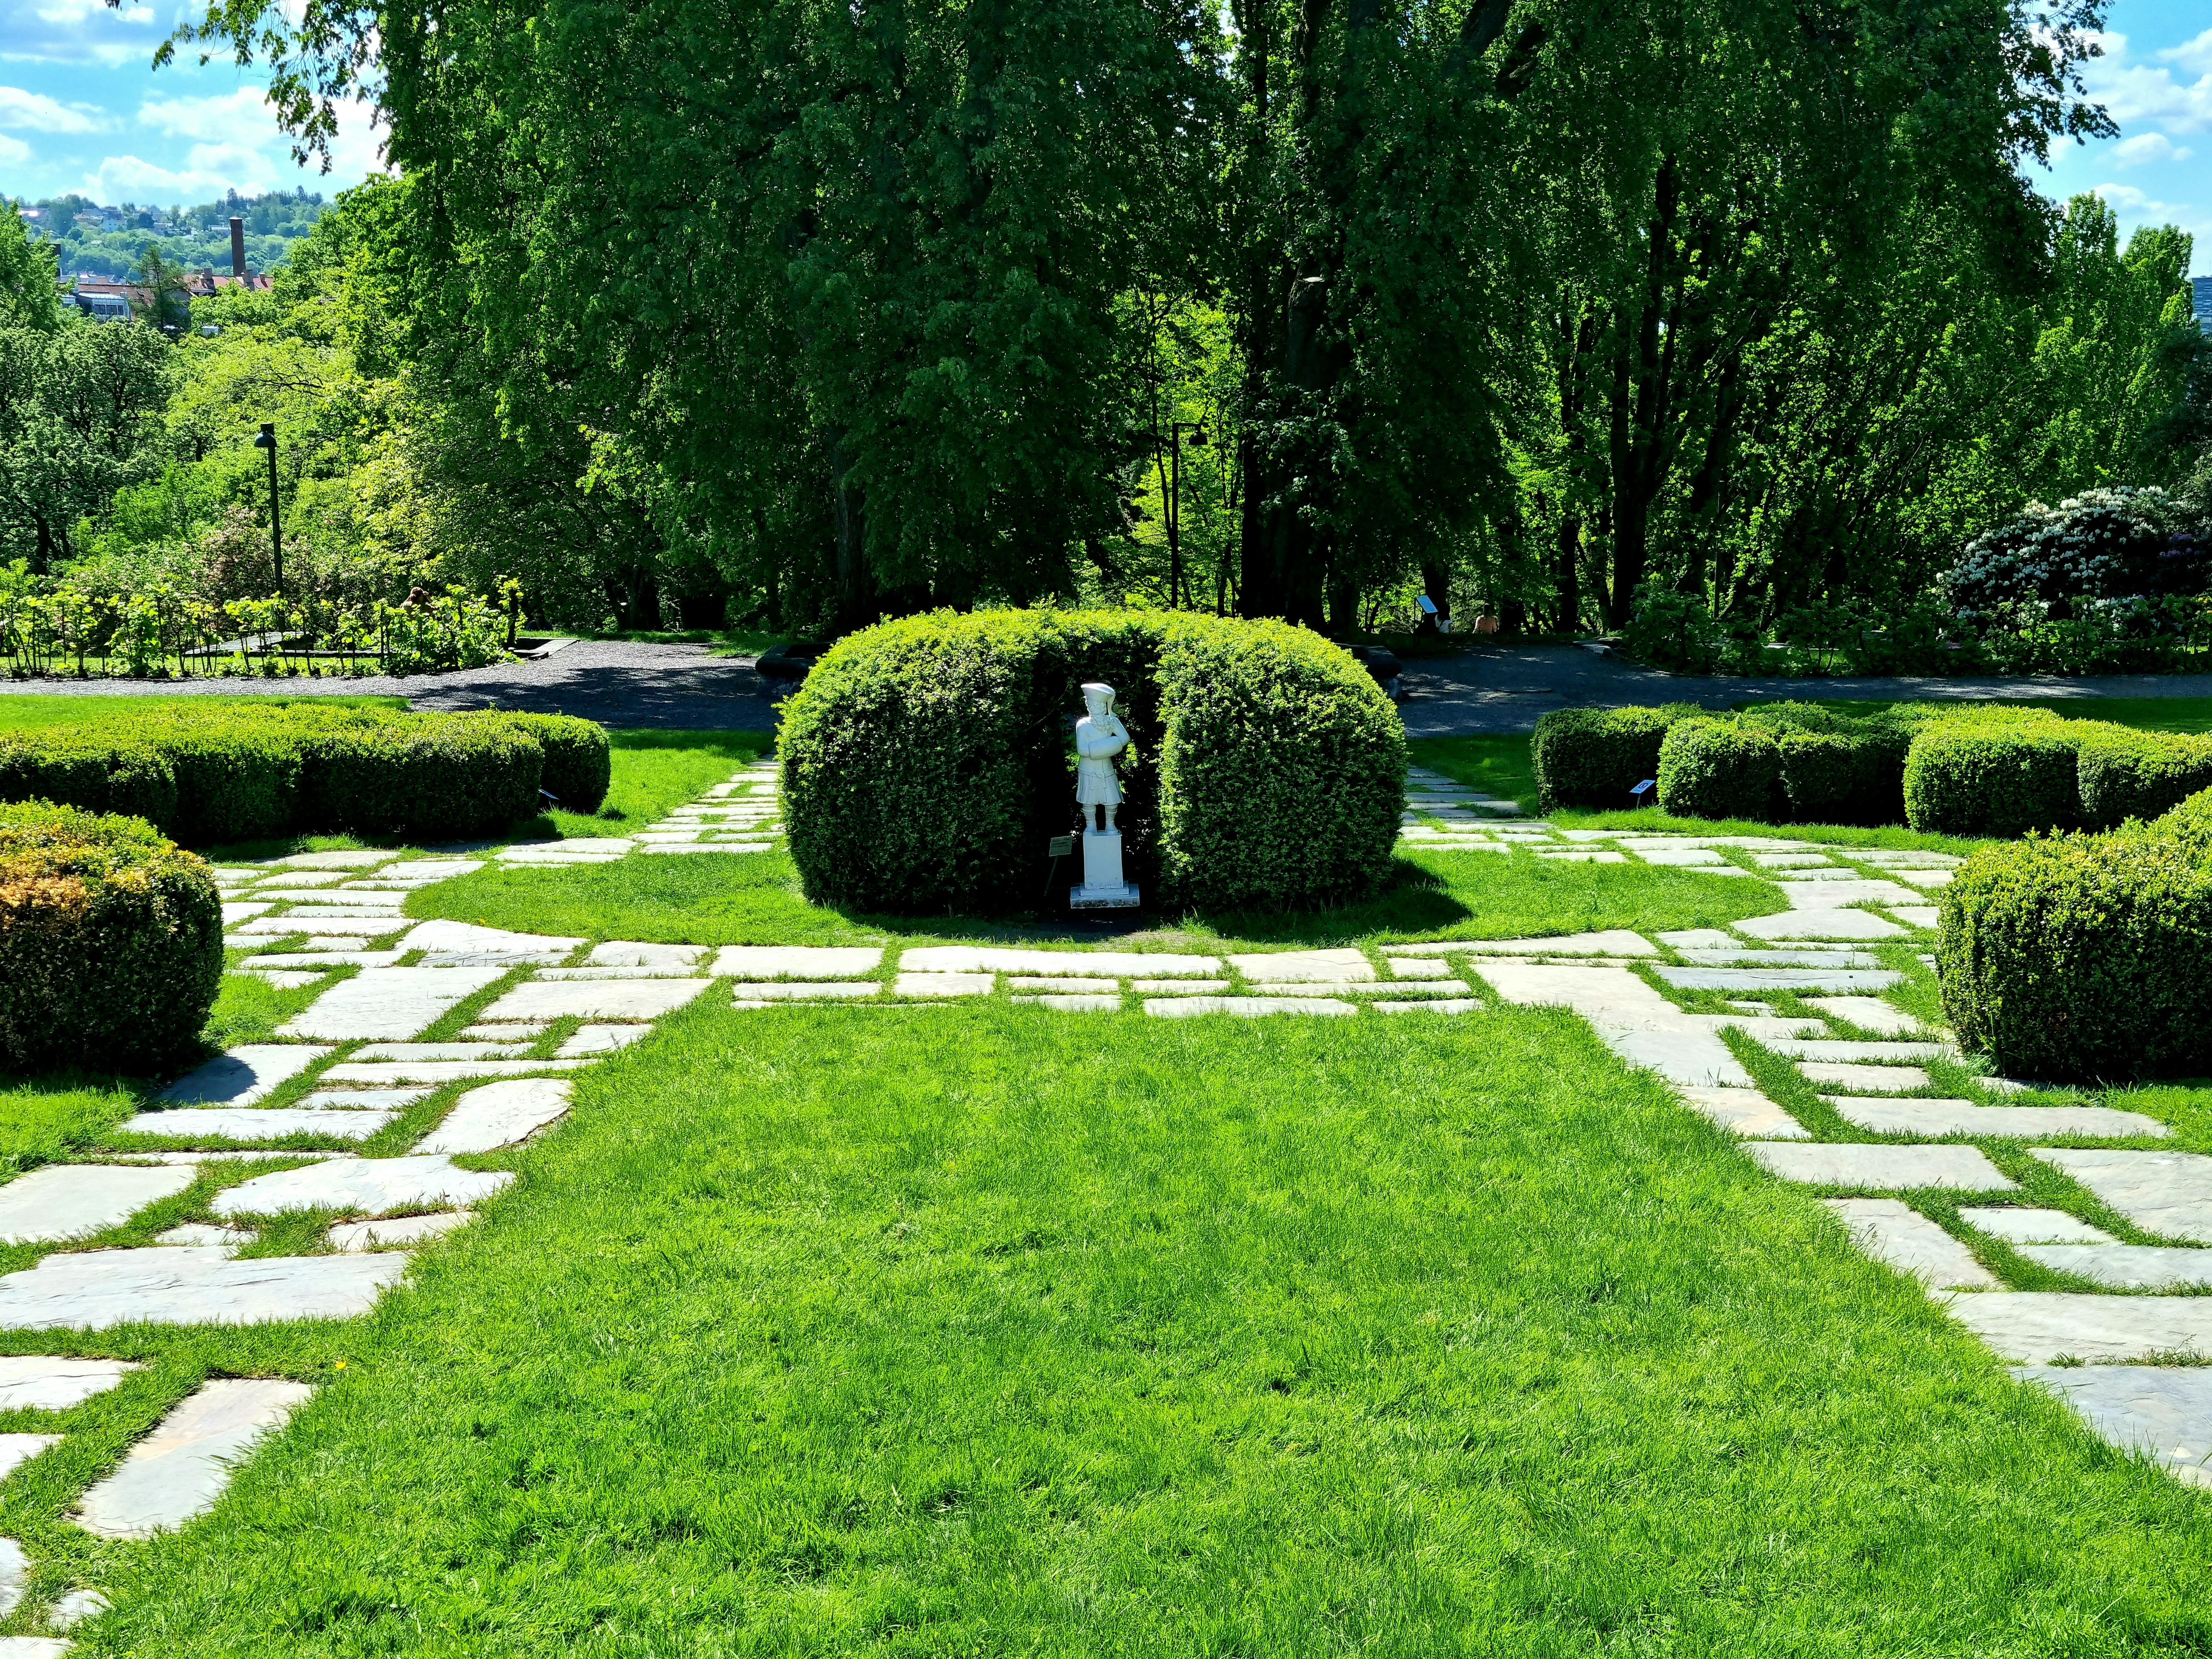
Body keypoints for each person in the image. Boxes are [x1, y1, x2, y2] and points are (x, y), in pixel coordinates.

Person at [1074, 682, 1130, 834]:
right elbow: (1083, 750)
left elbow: (1125, 738)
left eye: (1097, 706)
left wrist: (1112, 745)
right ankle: (1091, 826)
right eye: (1090, 705)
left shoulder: (1112, 722)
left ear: (1104, 706)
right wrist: (1101, 749)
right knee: (1089, 801)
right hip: (1088, 768)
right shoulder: (1082, 725)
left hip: (1106, 767)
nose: (1093, 709)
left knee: (1111, 800)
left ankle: (1111, 825)